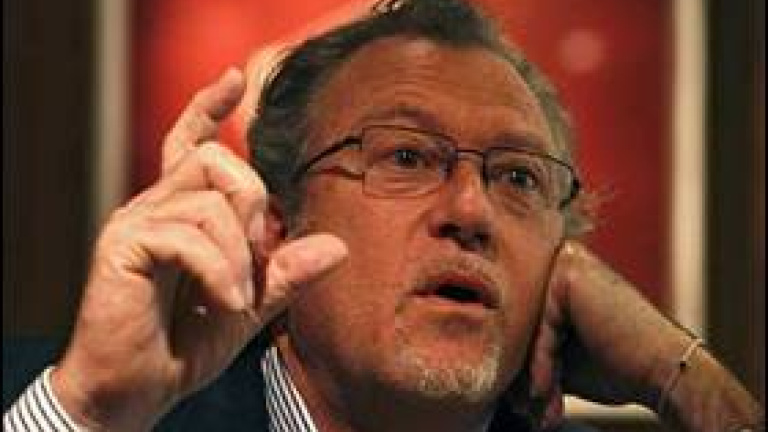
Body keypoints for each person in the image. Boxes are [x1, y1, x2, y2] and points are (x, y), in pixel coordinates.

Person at [3, 0, 763, 431]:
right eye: (406, 157)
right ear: (277, 227)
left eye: (518, 177)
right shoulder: (72, 403)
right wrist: (90, 413)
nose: (470, 210)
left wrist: (677, 372)